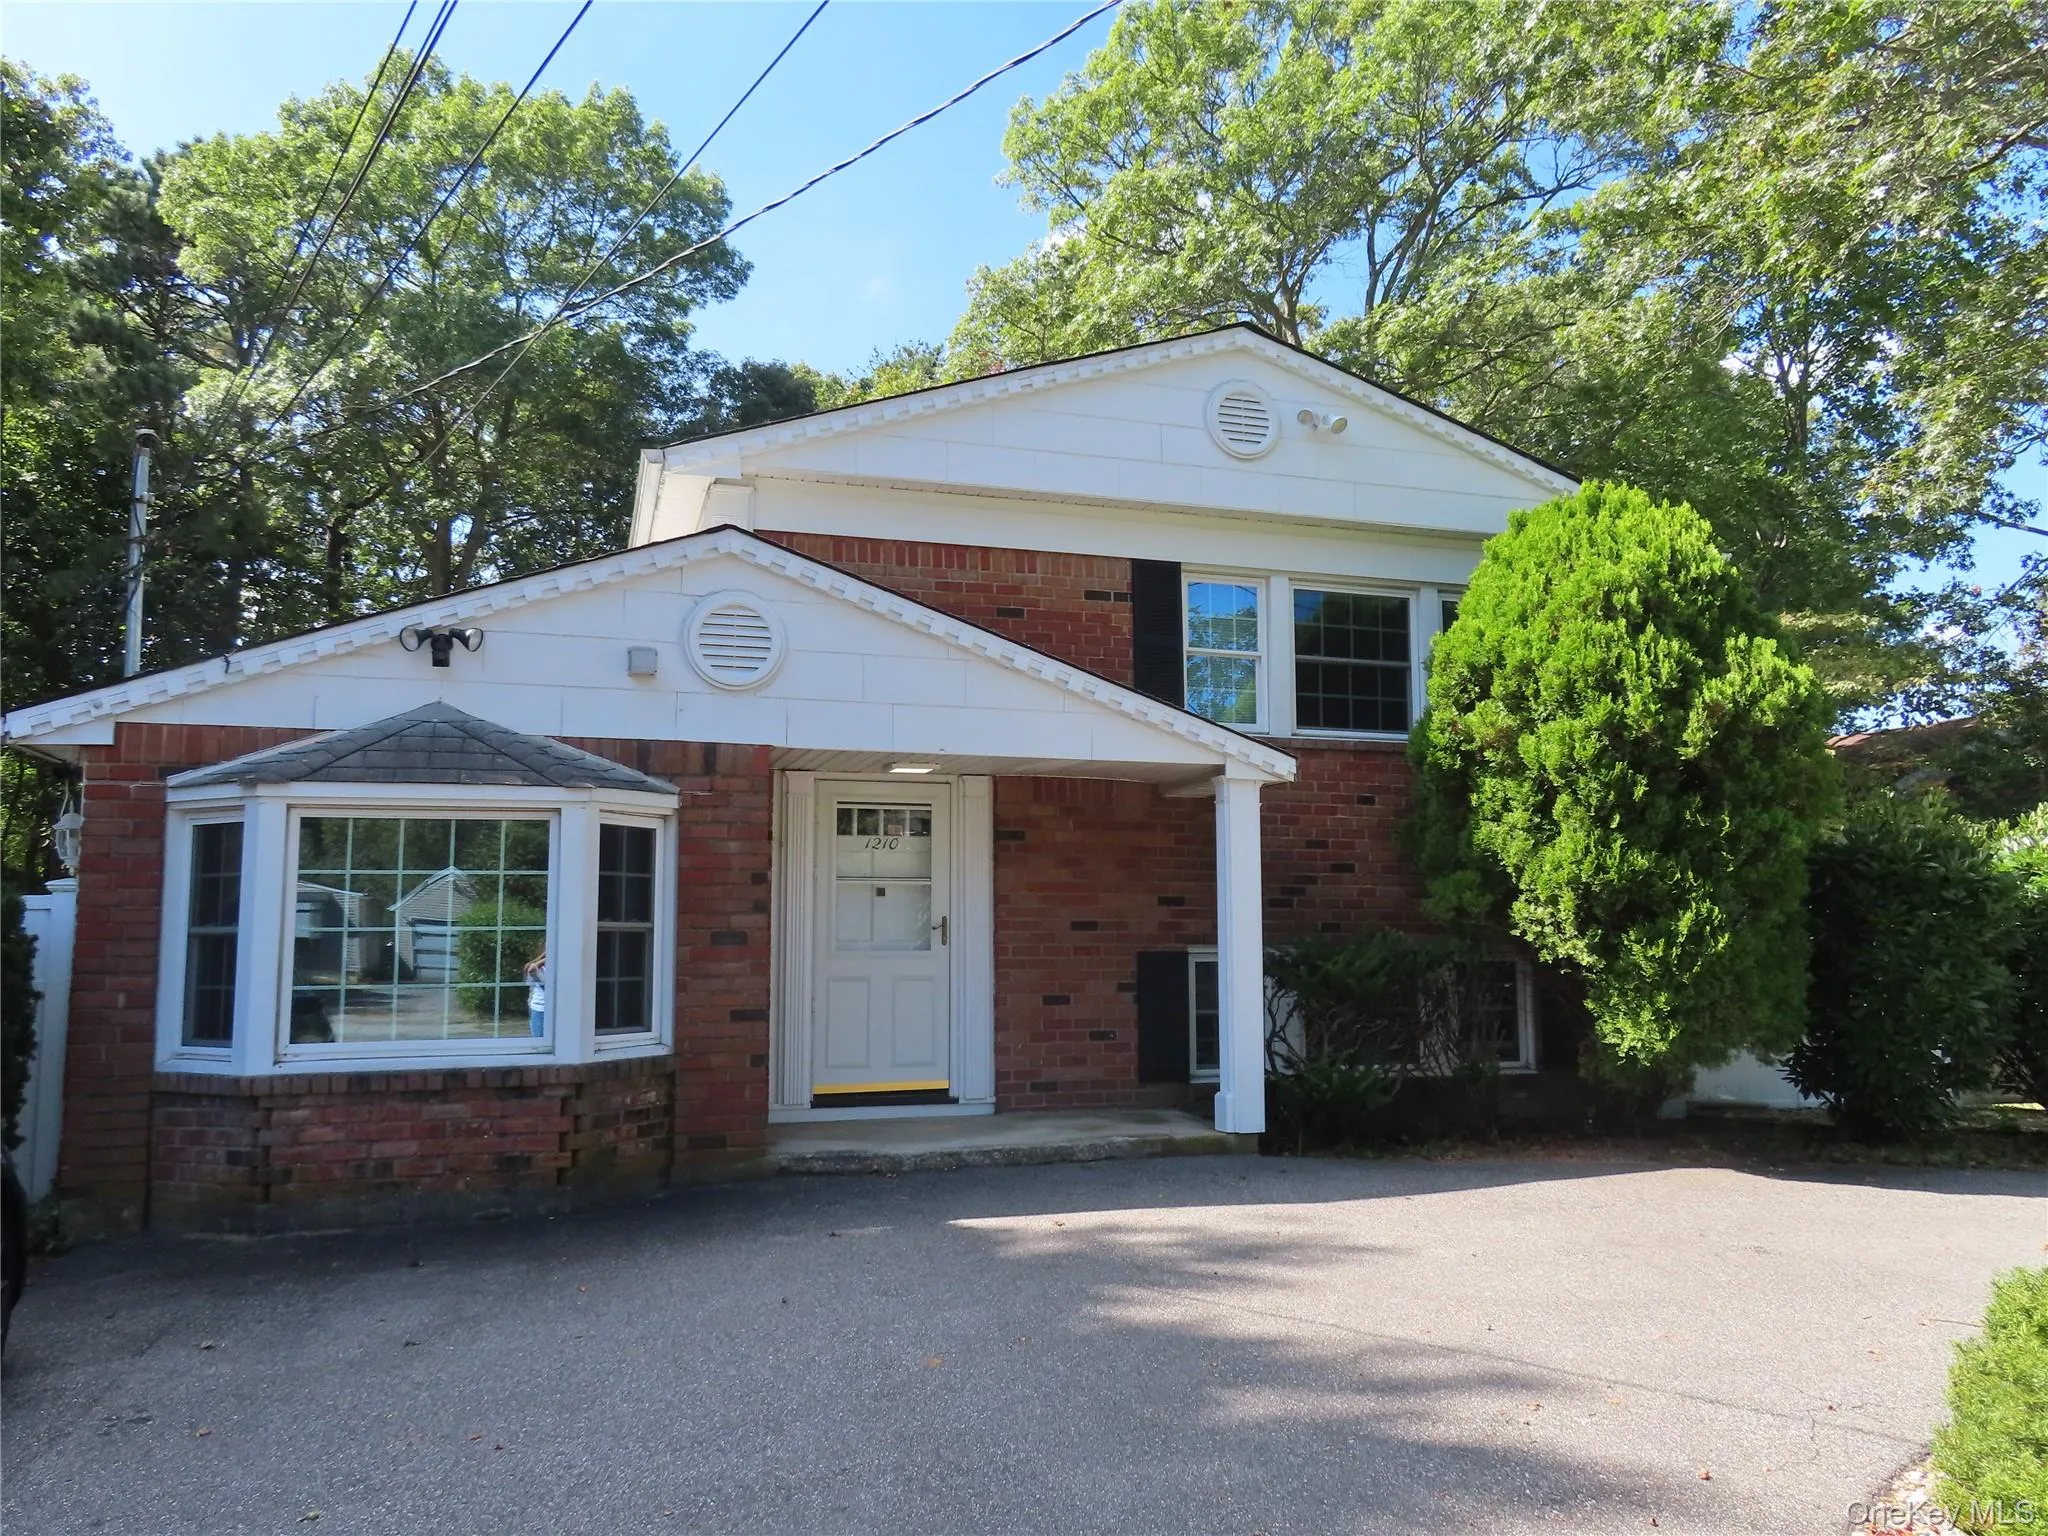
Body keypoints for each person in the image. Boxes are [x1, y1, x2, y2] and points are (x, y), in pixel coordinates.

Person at [524, 948, 547, 1038]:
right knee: (539, 1041)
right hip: (540, 1009)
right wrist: (544, 960)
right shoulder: (538, 968)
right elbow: (549, 986)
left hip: (557, 1010)